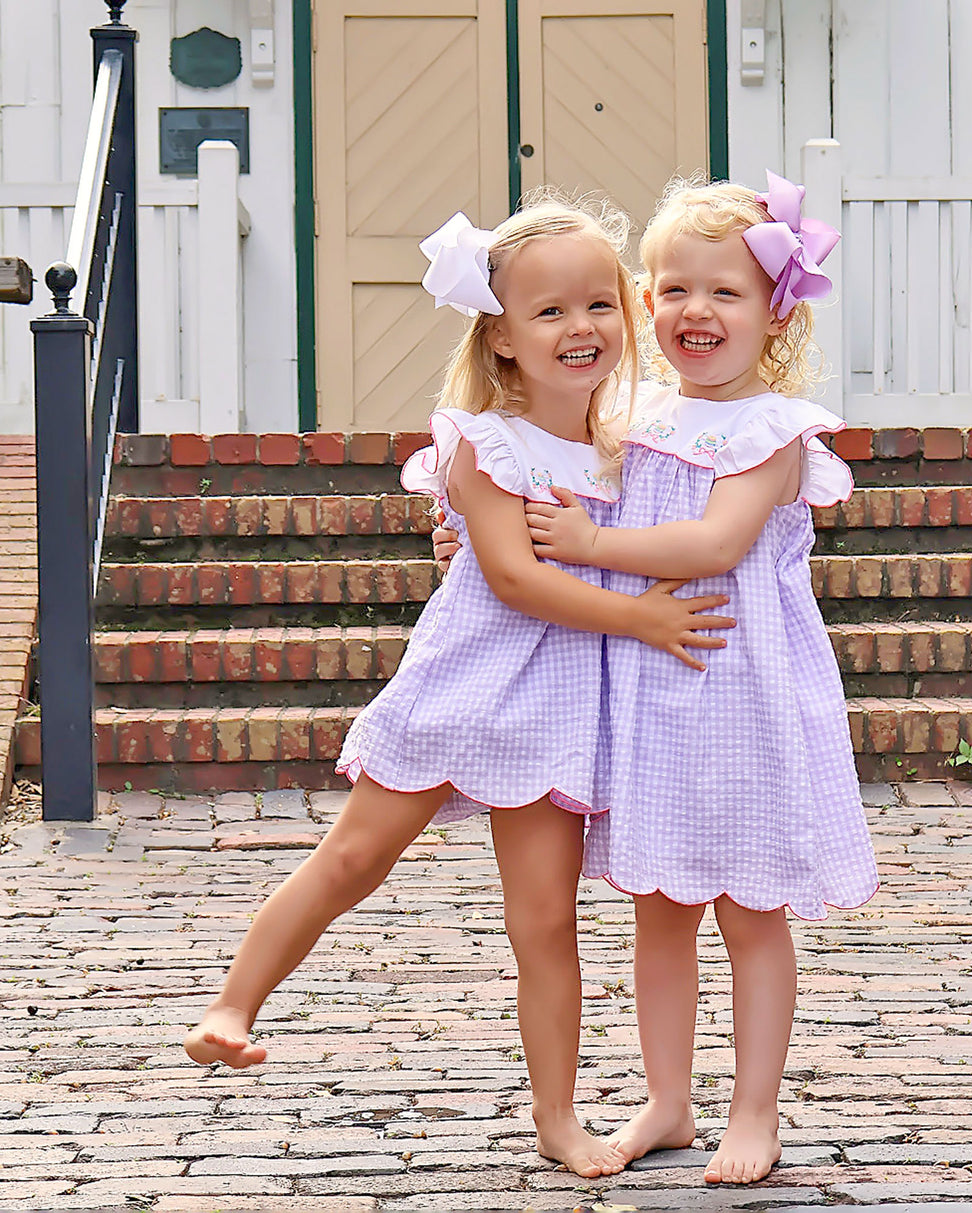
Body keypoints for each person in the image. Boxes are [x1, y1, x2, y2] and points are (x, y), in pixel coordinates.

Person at [183, 193, 733, 1179]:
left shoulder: (634, 441)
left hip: (558, 708)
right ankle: (232, 1002)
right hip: (468, 683)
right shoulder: (483, 442)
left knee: (545, 921)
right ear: (504, 337)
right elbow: (517, 580)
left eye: (598, 305)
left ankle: (558, 1117)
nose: (580, 329)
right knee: (352, 856)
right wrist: (645, 617)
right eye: (549, 312)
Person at [520, 173, 881, 1185]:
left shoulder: (773, 432)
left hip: (741, 689)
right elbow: (549, 487)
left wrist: (593, 536)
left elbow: (717, 542)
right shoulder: (628, 414)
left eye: (723, 291)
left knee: (747, 909)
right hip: (650, 688)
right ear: (646, 300)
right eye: (673, 288)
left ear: (774, 310)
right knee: (658, 905)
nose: (694, 311)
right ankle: (667, 1100)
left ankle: (753, 1109)